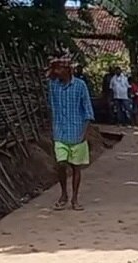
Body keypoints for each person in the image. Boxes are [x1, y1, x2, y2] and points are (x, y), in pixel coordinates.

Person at [47, 56, 94, 211]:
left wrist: (84, 133)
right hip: (60, 132)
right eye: (56, 69)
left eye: (60, 68)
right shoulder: (54, 86)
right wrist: (52, 66)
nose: (57, 71)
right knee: (60, 164)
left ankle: (74, 198)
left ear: (68, 70)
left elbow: (88, 111)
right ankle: (63, 194)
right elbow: (47, 75)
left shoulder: (80, 86)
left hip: (77, 133)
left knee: (76, 168)